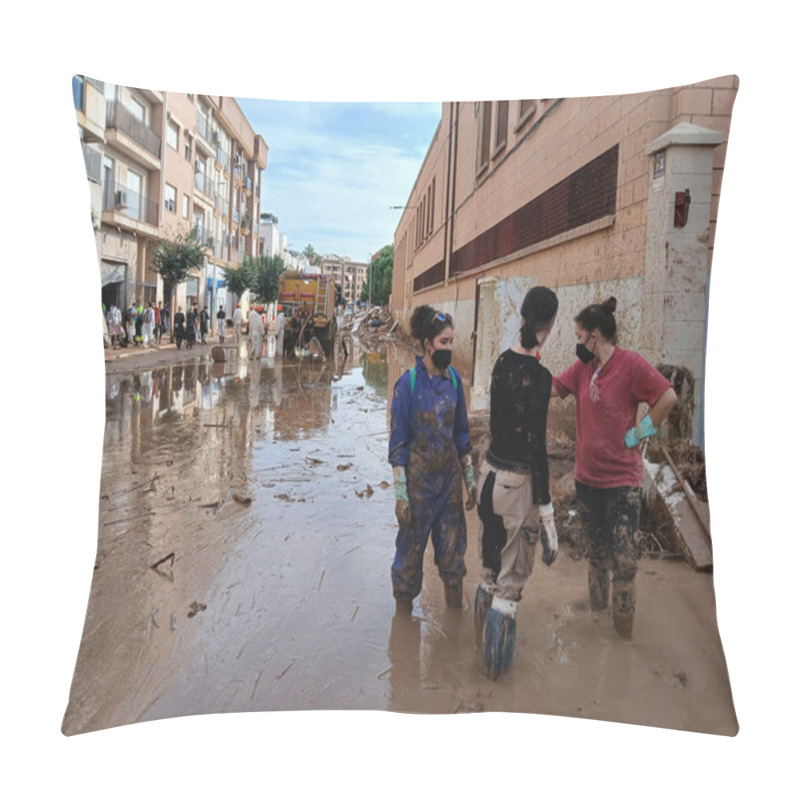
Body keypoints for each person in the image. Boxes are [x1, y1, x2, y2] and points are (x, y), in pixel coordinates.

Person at [551, 297, 678, 640]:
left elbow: (668, 397)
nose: (577, 344)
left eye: (579, 337)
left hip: (622, 482)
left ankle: (623, 638)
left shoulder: (631, 366)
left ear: (594, 337)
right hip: (587, 480)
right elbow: (554, 388)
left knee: (624, 562)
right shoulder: (582, 370)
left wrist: (639, 432)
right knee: (596, 555)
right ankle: (596, 624)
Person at [474, 286, 560, 679]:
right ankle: (495, 682)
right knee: (509, 588)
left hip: (487, 477)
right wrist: (546, 511)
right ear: (549, 326)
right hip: (515, 486)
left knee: (489, 572)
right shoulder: (540, 377)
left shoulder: (501, 362)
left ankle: (476, 660)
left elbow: (495, 426)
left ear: (522, 316)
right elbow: (537, 447)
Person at [388, 305, 477, 614]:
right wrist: (401, 496)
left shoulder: (453, 382)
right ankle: (403, 631)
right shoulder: (408, 385)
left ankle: (455, 624)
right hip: (418, 488)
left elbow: (462, 435)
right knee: (409, 562)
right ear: (428, 344)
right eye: (443, 342)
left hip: (449, 486)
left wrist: (470, 480)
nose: (449, 348)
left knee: (453, 559)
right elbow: (398, 446)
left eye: (451, 341)